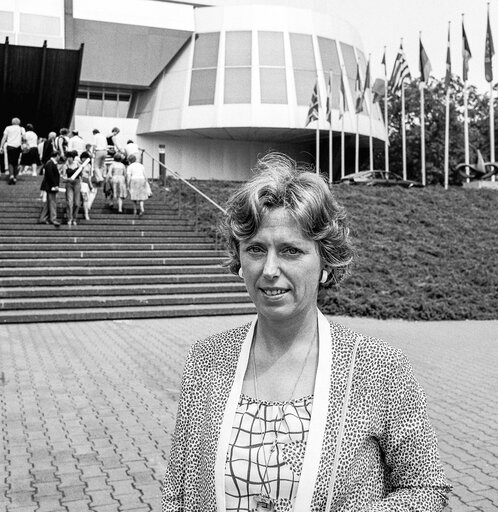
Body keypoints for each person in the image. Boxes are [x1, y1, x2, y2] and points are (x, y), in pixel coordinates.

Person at [161, 153, 450, 512]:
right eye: (255, 249)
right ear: (239, 261)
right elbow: (177, 491)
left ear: (325, 265)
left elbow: (425, 486)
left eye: (290, 251)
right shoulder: (207, 361)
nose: (269, 269)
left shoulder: (378, 369)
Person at [38, 150, 61, 227]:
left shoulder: (49, 163)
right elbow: (51, 176)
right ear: (56, 155)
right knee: (52, 203)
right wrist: (55, 185)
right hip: (51, 187)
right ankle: (53, 219)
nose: (59, 157)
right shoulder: (50, 163)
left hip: (49, 186)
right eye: (59, 155)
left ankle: (42, 218)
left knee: (48, 203)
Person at [1, 117, 25, 184]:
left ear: (12, 122)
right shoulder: (21, 128)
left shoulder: (8, 128)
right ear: (19, 122)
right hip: (18, 147)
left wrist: (1, 146)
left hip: (10, 146)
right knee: (16, 162)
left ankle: (11, 175)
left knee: (10, 162)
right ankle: (14, 177)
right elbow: (24, 137)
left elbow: (4, 137)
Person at [62, 151, 81, 225]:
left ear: (73, 158)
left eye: (71, 157)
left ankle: (75, 218)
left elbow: (81, 174)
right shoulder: (65, 166)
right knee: (69, 202)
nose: (69, 159)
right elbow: (63, 176)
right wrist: (67, 179)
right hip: (69, 183)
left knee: (77, 203)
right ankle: (69, 218)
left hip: (77, 182)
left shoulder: (78, 164)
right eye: (68, 157)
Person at [78, 151, 93, 221]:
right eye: (83, 158)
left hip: (86, 183)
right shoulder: (78, 165)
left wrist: (90, 185)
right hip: (80, 182)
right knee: (83, 199)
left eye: (85, 158)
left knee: (85, 199)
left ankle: (86, 214)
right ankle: (85, 214)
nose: (84, 159)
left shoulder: (89, 166)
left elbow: (89, 176)